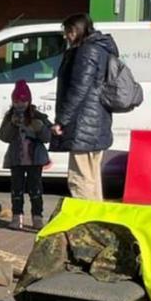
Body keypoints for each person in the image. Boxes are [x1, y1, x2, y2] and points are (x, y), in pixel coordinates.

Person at [51, 12, 116, 201]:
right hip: (96, 122)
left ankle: (86, 221)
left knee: (80, 178)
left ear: (77, 30)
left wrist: (62, 121)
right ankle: (96, 220)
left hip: (83, 124)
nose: (66, 36)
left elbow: (78, 88)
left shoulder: (86, 51)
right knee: (93, 178)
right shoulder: (102, 49)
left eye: (68, 31)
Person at [0, 80, 51, 230]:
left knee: (36, 189)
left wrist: (40, 128)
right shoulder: (10, 116)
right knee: (16, 189)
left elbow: (47, 138)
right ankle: (17, 217)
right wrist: (12, 125)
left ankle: (37, 218)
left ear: (29, 101)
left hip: (35, 160)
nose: (20, 104)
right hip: (16, 160)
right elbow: (3, 136)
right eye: (16, 101)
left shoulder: (38, 116)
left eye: (23, 101)